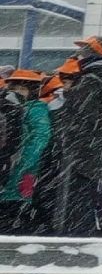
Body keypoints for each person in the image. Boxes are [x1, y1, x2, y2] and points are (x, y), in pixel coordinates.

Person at [50, 36, 102, 236]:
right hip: (94, 150)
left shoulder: (91, 80)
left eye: (83, 50)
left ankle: (73, 243)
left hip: (81, 152)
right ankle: (80, 236)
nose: (78, 55)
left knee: (75, 202)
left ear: (93, 52)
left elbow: (80, 119)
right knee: (85, 199)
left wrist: (69, 142)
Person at [0, 68, 51, 232]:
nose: (15, 92)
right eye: (13, 88)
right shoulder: (12, 108)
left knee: (18, 205)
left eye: (20, 88)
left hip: (26, 169)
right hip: (12, 167)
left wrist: (24, 162)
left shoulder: (35, 109)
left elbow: (41, 137)